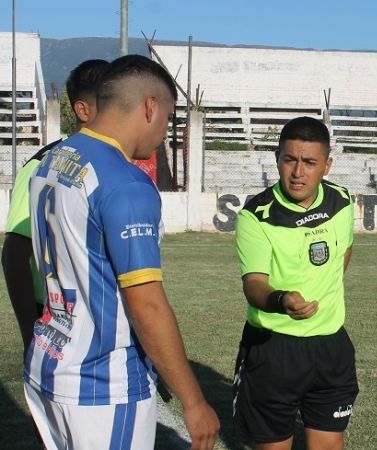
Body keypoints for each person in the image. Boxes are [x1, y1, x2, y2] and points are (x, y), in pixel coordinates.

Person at [25, 54, 219, 450]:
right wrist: (194, 402)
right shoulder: (124, 183)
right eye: (168, 118)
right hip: (101, 385)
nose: (164, 132)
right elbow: (146, 304)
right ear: (150, 106)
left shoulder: (55, 158)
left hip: (49, 361)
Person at [233, 116, 358, 450]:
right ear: (277, 158)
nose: (298, 172)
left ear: (327, 165)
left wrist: (324, 288)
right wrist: (282, 300)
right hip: (274, 348)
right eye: (290, 160)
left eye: (310, 162)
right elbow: (254, 284)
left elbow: (344, 252)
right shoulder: (256, 216)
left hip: (330, 346)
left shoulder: (342, 201)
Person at [3, 59, 108, 355]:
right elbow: (14, 253)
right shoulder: (43, 166)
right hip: (54, 313)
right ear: (83, 110)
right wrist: (30, 336)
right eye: (110, 104)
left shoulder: (112, 167)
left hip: (101, 310)